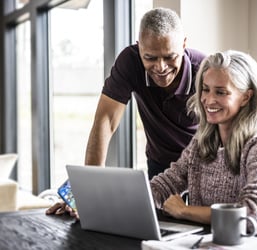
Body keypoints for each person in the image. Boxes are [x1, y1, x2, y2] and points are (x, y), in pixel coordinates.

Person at [46, 7, 205, 216]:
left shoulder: (203, 70)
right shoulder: (130, 62)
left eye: (169, 57)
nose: (161, 67)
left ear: (184, 44)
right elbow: (105, 121)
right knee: (155, 230)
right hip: (160, 165)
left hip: (201, 165)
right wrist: (87, 194)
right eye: (150, 58)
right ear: (139, 48)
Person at [149, 50, 257, 242]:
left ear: (246, 97)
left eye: (221, 92)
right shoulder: (202, 142)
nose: (209, 100)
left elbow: (253, 214)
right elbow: (167, 183)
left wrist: (185, 211)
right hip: (217, 244)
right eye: (205, 89)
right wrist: (131, 200)